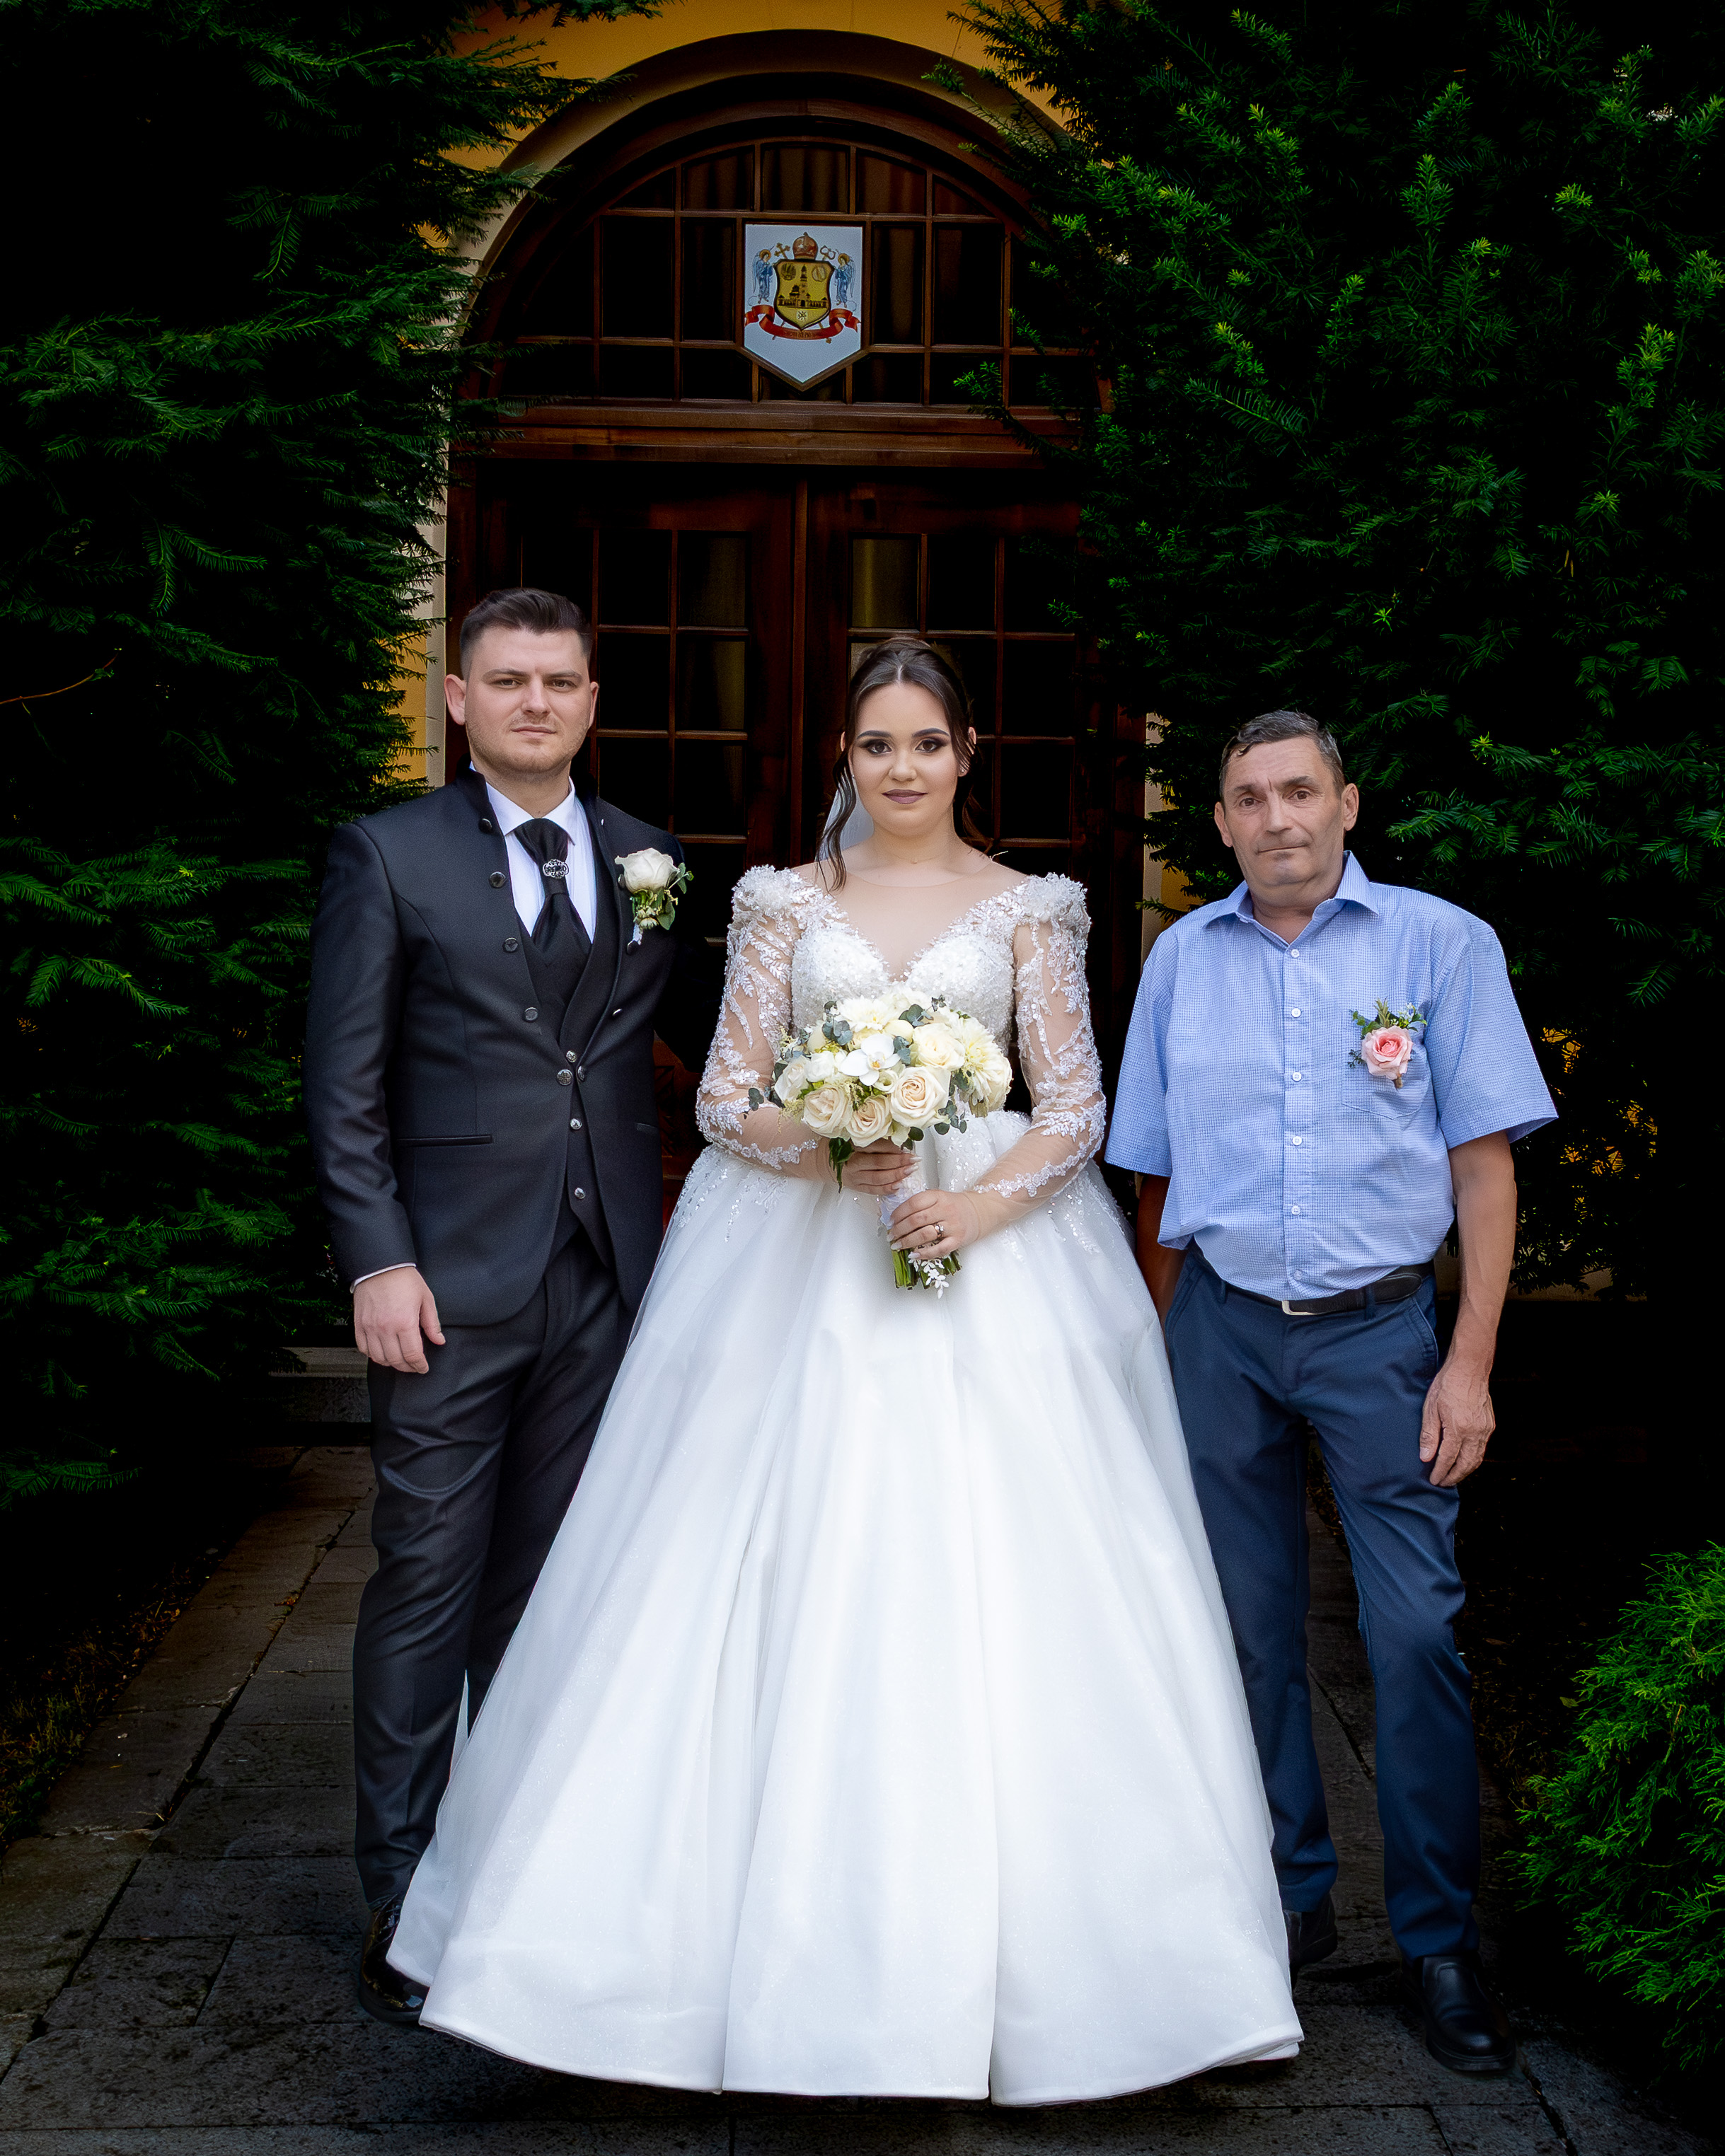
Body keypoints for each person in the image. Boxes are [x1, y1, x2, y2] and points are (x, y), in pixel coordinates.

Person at [388, 637, 1300, 2101]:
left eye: (926, 744)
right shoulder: (779, 903)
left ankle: (1085, 1973)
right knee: (726, 1562)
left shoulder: (1030, 909)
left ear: (966, 753)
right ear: (845, 757)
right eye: (876, 744)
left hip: (979, 1258)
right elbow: (728, 1092)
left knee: (1018, 1577)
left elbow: (1072, 1105)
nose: (900, 769)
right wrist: (824, 1140)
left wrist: (976, 1207)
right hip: (799, 1262)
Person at [1107, 709, 1555, 2075]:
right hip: (1222, 1328)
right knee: (1244, 1636)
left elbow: (1483, 1168)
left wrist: (1468, 1362)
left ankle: (1436, 1941)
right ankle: (1284, 1907)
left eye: (1298, 791)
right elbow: (1152, 1177)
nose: (1277, 818)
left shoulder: (1439, 945)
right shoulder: (1181, 960)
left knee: (1412, 1632)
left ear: (1345, 804)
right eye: (1248, 799)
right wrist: (1157, 1349)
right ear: (1221, 824)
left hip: (1382, 1338)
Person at [304, 586, 717, 2024]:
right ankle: (403, 1885)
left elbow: (706, 1041)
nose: (535, 701)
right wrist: (376, 1261)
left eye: (559, 681)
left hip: (606, 1282)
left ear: (591, 702)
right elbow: (342, 1086)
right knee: (427, 1577)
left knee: (551, 1586)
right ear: (459, 698)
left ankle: (524, 1867)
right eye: (507, 679)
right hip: (445, 1289)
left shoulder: (655, 858)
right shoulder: (386, 854)